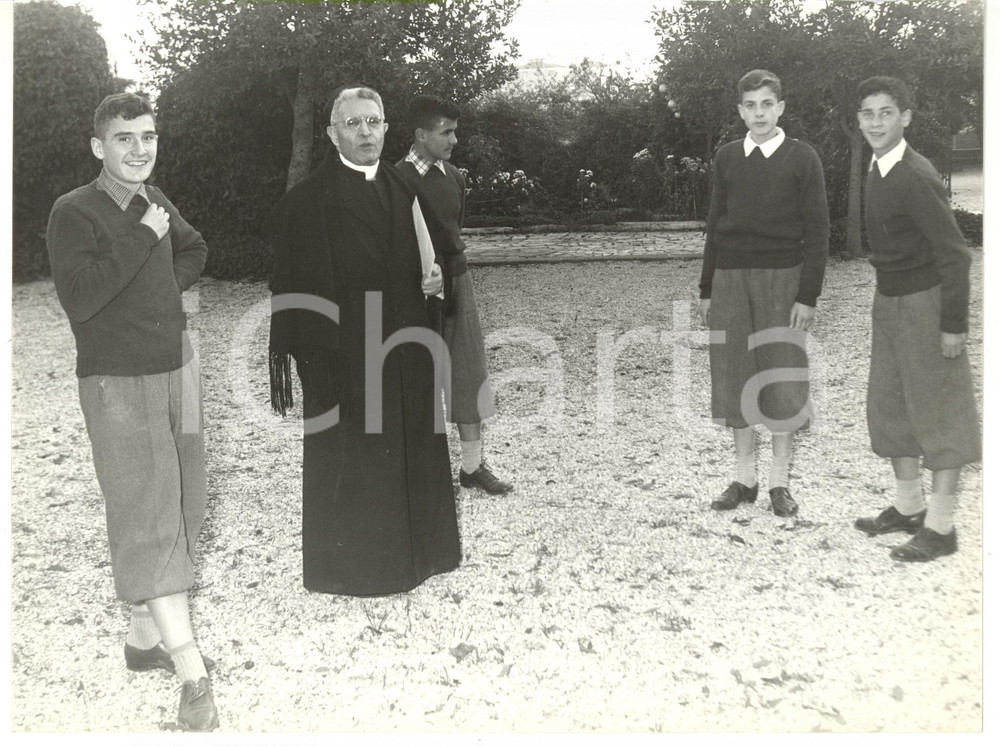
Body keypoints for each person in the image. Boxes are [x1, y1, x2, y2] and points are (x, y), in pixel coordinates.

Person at [45, 92, 217, 731]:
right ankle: (192, 672)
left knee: (185, 503)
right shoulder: (74, 211)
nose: (139, 148)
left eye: (147, 136)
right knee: (146, 510)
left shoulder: (157, 197)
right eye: (124, 138)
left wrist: (162, 290)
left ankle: (145, 640)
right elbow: (83, 299)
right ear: (99, 147)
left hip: (180, 366)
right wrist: (144, 241)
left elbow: (195, 248)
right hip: (118, 382)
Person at [266, 85, 461, 595]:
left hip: (406, 347)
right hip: (347, 357)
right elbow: (292, 292)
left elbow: (434, 258)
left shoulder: (404, 188)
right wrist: (320, 369)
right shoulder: (306, 202)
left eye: (373, 122)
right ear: (332, 134)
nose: (365, 132)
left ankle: (421, 558)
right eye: (353, 124)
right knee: (357, 458)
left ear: (386, 129)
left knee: (412, 446)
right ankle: (358, 572)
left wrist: (437, 281)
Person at [852, 76, 980, 562]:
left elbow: (955, 256)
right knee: (888, 407)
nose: (876, 122)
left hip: (925, 305)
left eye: (887, 113)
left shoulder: (915, 173)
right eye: (868, 113)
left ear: (905, 117)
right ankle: (908, 507)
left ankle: (942, 527)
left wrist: (953, 324)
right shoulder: (878, 165)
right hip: (889, 303)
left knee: (941, 414)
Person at [699, 69, 830, 518]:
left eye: (766, 104)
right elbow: (715, 224)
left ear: (781, 108)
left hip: (782, 280)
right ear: (740, 111)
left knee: (781, 374)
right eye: (750, 105)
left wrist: (807, 295)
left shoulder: (801, 158)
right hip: (731, 280)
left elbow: (818, 231)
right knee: (734, 374)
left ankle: (779, 480)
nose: (759, 113)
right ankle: (744, 477)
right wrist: (706, 286)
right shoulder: (727, 157)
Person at [395, 94, 513, 496]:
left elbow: (453, 235)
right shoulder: (396, 180)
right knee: (418, 378)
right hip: (417, 292)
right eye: (446, 132)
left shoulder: (455, 177)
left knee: (467, 372)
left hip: (457, 284)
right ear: (420, 135)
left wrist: (451, 275)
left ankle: (472, 466)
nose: (454, 140)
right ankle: (419, 473)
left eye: (455, 131)